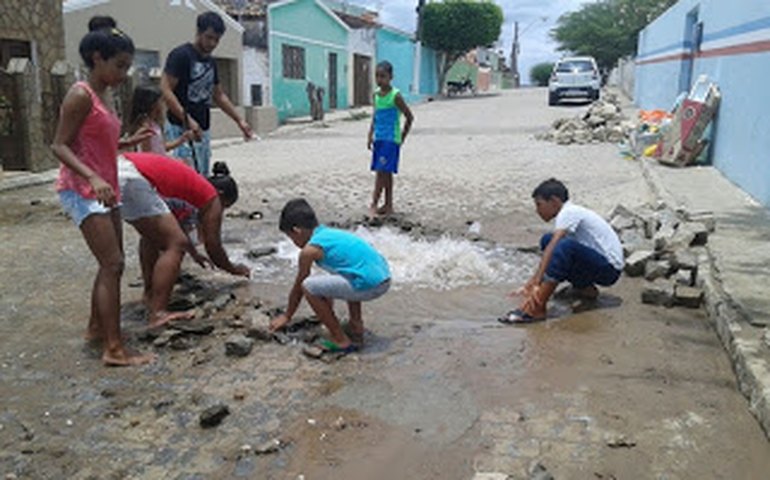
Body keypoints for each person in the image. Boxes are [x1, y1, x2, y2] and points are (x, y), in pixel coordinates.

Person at [51, 19, 155, 366]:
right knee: (112, 263)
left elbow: (95, 141)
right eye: (120, 65)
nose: (124, 74)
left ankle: (97, 329)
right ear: (97, 58)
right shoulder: (81, 94)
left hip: (106, 188)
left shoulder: (104, 94)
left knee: (112, 263)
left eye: (127, 67)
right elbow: (59, 145)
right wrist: (93, 177)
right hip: (82, 188)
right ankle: (114, 349)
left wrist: (127, 142)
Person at [118, 152, 250, 324]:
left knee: (151, 237)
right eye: (224, 206)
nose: (220, 211)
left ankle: (150, 295)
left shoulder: (192, 190)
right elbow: (213, 247)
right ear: (220, 194)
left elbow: (176, 231)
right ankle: (158, 312)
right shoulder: (211, 197)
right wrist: (235, 269)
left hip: (118, 169)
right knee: (176, 245)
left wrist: (194, 254)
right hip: (132, 176)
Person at [270, 199, 391, 353]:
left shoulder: (310, 250)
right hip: (383, 278)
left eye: (291, 237)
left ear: (297, 231)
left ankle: (340, 340)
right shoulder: (329, 234)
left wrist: (287, 316)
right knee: (341, 275)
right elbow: (351, 270)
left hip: (371, 285)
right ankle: (356, 325)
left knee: (308, 286)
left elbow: (299, 285)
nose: (293, 242)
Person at [500, 179, 624, 324]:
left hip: (609, 269)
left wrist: (536, 283)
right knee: (548, 240)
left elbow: (554, 247)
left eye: (539, 204)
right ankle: (585, 289)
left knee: (563, 246)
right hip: (599, 264)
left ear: (554, 201)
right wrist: (530, 284)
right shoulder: (569, 212)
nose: (537, 210)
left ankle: (537, 307)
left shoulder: (568, 212)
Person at [160, 11, 252, 175]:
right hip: (180, 129)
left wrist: (240, 121)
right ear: (199, 32)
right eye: (209, 37)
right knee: (184, 177)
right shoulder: (181, 55)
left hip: (202, 129)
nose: (212, 43)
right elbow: (166, 90)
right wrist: (187, 120)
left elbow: (219, 95)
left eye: (216, 39)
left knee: (202, 176)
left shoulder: (210, 62)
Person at [367, 61, 414, 217]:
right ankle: (388, 205)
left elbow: (409, 117)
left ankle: (374, 204)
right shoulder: (376, 95)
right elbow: (375, 116)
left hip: (391, 140)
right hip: (379, 139)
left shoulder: (396, 96)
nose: (379, 80)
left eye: (383, 76)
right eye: (377, 76)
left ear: (391, 77)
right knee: (386, 173)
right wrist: (370, 134)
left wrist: (402, 137)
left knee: (380, 172)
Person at [128, 84, 194, 158]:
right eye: (160, 101)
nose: (162, 104)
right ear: (152, 104)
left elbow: (162, 147)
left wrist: (181, 139)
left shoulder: (154, 124)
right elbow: (147, 155)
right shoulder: (146, 128)